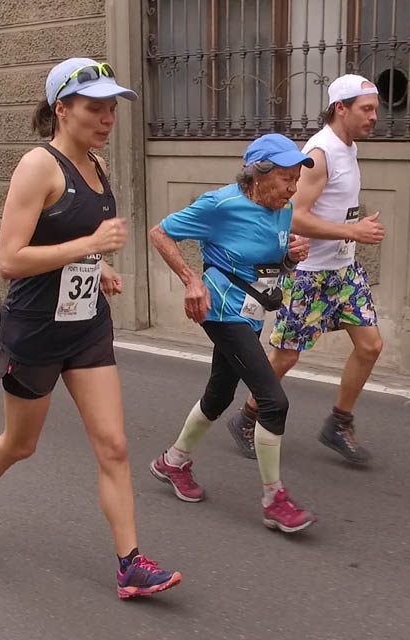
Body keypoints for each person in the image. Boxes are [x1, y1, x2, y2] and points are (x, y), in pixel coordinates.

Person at [0, 57, 180, 599]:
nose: (106, 118)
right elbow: (10, 258)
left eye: (110, 107)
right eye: (94, 107)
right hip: (35, 331)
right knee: (19, 445)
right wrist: (90, 248)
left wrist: (99, 270)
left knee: (114, 445)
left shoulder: (97, 166)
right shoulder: (38, 167)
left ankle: (130, 564)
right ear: (62, 109)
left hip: (86, 327)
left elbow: (70, 246)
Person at [146, 133, 317, 533]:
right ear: (257, 175)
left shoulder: (283, 209)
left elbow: (269, 266)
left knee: (220, 393)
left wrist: (290, 258)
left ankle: (172, 462)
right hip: (221, 311)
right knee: (273, 401)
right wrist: (191, 280)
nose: (293, 188)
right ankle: (275, 499)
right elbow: (160, 232)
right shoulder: (220, 204)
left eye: (296, 179)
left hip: (252, 314)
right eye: (285, 178)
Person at [223, 74, 385, 466]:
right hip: (309, 274)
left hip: (343, 271)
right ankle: (247, 418)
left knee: (371, 345)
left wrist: (350, 235)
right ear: (340, 108)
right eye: (367, 109)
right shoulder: (320, 153)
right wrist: (353, 230)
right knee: (286, 356)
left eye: (376, 109)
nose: (374, 117)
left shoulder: (349, 148)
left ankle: (338, 423)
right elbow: (295, 217)